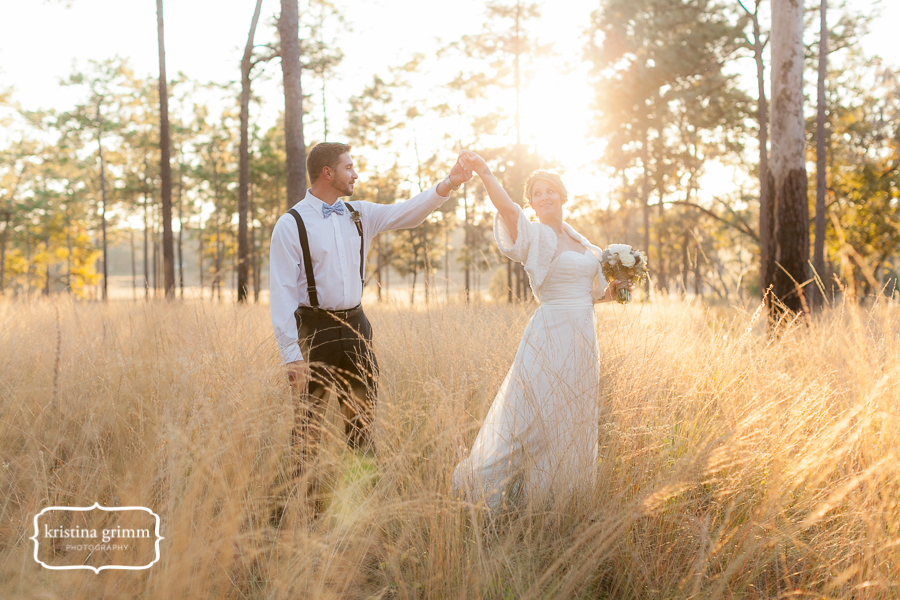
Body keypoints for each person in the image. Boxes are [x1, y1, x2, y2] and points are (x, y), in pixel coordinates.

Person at [269, 142, 473, 490]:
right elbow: (282, 293)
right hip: (313, 331)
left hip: (357, 328)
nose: (356, 173)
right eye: (349, 167)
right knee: (308, 425)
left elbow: (409, 212)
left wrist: (449, 183)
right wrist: (291, 354)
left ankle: (361, 502)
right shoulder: (291, 224)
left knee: (362, 421)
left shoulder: (359, 213)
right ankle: (297, 508)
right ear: (327, 173)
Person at [452, 150, 628, 511]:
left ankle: (557, 493)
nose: (544, 197)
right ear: (531, 203)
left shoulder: (585, 244)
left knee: (574, 412)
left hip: (583, 337)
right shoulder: (534, 237)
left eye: (550, 191)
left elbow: (589, 295)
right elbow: (507, 210)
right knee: (532, 415)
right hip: (549, 333)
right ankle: (484, 486)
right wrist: (485, 172)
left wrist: (611, 293)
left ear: (563, 195)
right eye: (536, 193)